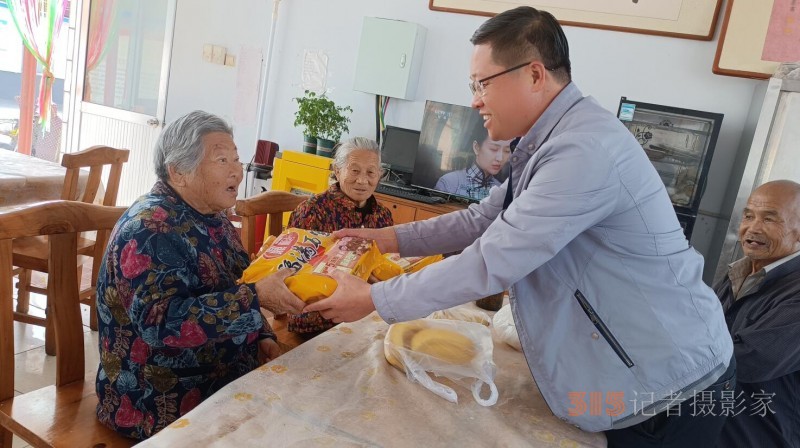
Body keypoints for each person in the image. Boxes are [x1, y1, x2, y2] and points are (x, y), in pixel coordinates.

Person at [305, 7, 734, 447]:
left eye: (482, 83)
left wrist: (376, 298)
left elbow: (495, 259)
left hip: (668, 387)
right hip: (630, 370)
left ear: (533, 75)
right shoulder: (549, 141)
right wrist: (388, 237)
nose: (474, 99)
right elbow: (483, 219)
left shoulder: (583, 150)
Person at [95, 110, 306, 440]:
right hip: (158, 398)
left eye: (236, 159)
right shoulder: (149, 230)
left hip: (222, 378)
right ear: (178, 172)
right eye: (222, 160)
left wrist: (261, 334)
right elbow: (160, 324)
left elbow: (240, 284)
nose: (237, 169)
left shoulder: (212, 216)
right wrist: (256, 300)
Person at [715, 180, 800, 448]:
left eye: (769, 219)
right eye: (748, 216)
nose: (753, 228)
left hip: (757, 436)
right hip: (712, 426)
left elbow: (750, 360)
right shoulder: (738, 273)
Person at [287, 136, 393, 333]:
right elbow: (294, 272)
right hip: (319, 315)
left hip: (367, 310)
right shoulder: (312, 211)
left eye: (371, 172)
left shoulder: (383, 215)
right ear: (337, 170)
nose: (362, 180)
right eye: (354, 170)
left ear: (379, 175)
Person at [434, 124, 512, 200]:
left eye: (507, 151)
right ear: (476, 147)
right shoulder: (449, 183)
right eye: (494, 149)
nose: (500, 158)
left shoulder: (501, 190)